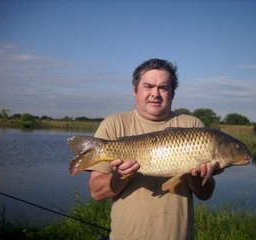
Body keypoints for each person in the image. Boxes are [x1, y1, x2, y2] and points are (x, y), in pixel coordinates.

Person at [88, 58, 222, 240]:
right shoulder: (114, 125)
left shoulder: (192, 125)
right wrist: (119, 176)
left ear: (172, 94)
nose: (155, 93)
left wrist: (197, 175)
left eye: (163, 88)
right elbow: (96, 193)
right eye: (148, 86)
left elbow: (205, 195)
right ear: (135, 90)